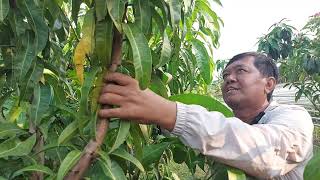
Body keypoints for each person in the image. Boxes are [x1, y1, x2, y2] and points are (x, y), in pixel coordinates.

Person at [98, 52, 314, 179]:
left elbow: (268, 151)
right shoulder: (227, 118)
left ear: (269, 84)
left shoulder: (294, 117)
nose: (229, 79)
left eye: (241, 71)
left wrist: (170, 113)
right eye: (225, 75)